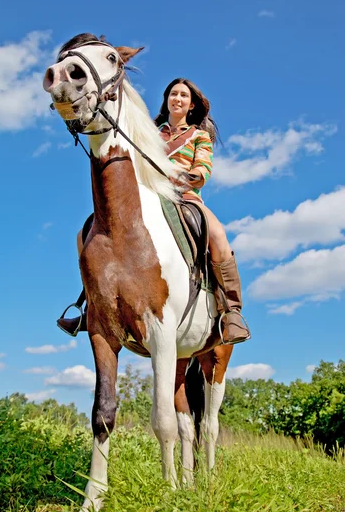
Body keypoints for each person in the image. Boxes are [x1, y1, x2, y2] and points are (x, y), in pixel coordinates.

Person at [57, 78, 250, 345]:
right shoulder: (151, 132)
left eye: (183, 95)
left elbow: (203, 169)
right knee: (83, 235)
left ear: (191, 105)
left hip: (185, 198)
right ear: (167, 99)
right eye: (173, 94)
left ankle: (232, 311)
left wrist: (189, 176)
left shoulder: (199, 136)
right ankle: (91, 305)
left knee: (217, 234)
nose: (177, 99)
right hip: (147, 196)